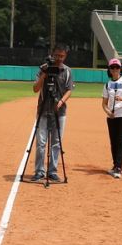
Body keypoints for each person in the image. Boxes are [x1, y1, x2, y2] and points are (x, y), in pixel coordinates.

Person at [29, 44, 75, 182]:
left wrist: (61, 101)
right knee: (41, 142)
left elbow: (69, 90)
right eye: (57, 55)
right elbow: (35, 89)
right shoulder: (43, 68)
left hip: (59, 112)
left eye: (62, 56)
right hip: (43, 109)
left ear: (65, 56)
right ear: (52, 54)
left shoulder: (67, 71)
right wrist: (44, 74)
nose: (59, 58)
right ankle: (39, 171)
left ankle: (52, 171)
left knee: (56, 142)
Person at [100, 58, 122, 179]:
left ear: (120, 69)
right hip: (112, 117)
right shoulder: (107, 85)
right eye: (112, 68)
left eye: (117, 67)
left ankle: (119, 167)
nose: (115, 70)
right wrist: (108, 112)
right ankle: (115, 166)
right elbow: (104, 103)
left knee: (121, 142)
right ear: (109, 70)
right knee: (113, 142)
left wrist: (121, 98)